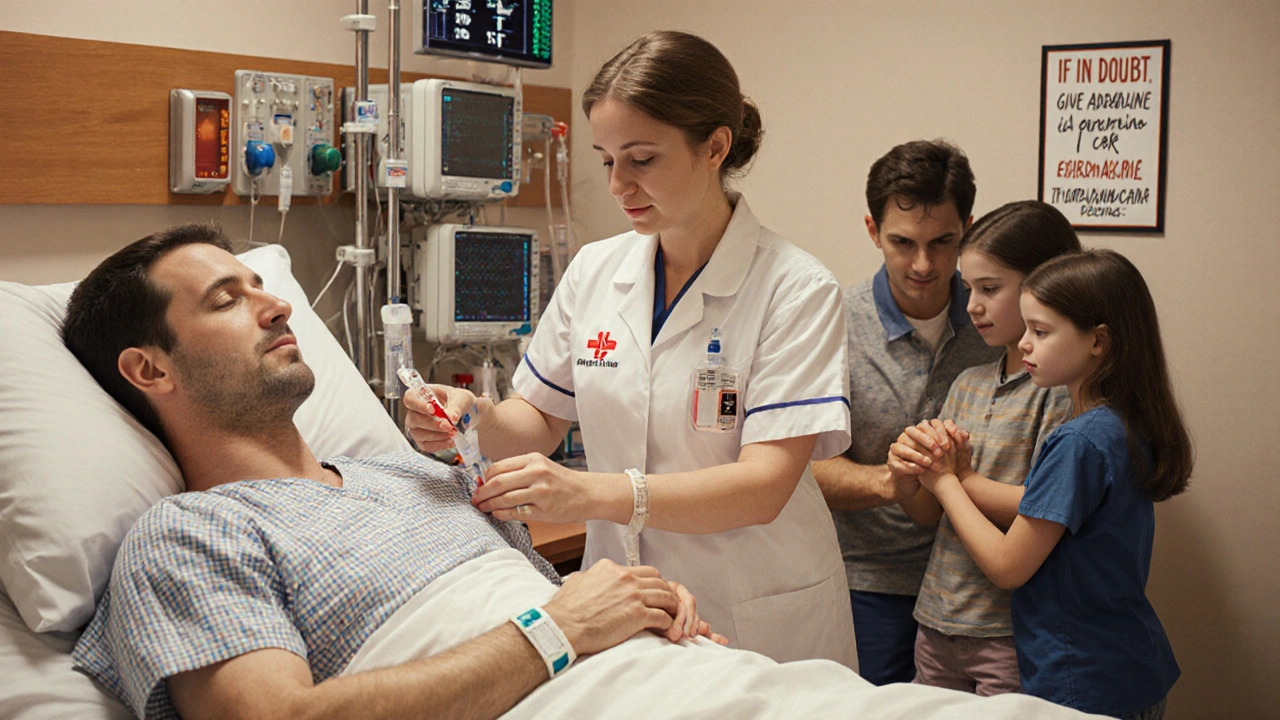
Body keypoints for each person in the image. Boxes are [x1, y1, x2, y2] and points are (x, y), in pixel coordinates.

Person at [61, 225, 721, 720]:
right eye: (226, 300)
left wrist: (645, 611)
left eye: (261, 287)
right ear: (151, 369)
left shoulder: (408, 475)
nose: (276, 308)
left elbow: (563, 606)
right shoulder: (188, 536)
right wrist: (563, 627)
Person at [405, 30, 855, 666]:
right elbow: (537, 420)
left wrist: (589, 493)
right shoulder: (595, 270)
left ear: (715, 147)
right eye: (607, 159)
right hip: (624, 601)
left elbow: (764, 486)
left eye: (642, 159)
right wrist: (470, 413)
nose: (619, 185)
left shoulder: (796, 288)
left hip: (754, 605)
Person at [898, 249, 1189, 719]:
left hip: (1083, 681)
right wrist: (966, 476)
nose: (1026, 344)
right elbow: (1039, 507)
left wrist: (945, 482)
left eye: (1041, 331)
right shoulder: (1120, 426)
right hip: (1130, 666)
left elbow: (1008, 566)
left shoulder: (1077, 442)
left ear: (1099, 341)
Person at [811, 140, 1001, 684]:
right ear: (872, 231)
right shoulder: (832, 323)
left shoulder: (1002, 323)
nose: (924, 264)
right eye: (902, 242)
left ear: (968, 226)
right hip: (872, 584)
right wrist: (897, 483)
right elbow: (802, 469)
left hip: (982, 586)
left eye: (943, 242)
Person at [884, 201, 1080, 695]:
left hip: (1009, 632)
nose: (972, 305)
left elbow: (1041, 507)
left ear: (1043, 288)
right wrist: (909, 478)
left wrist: (954, 480)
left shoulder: (1062, 396)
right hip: (935, 619)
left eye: (989, 289)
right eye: (969, 289)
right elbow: (934, 515)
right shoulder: (967, 384)